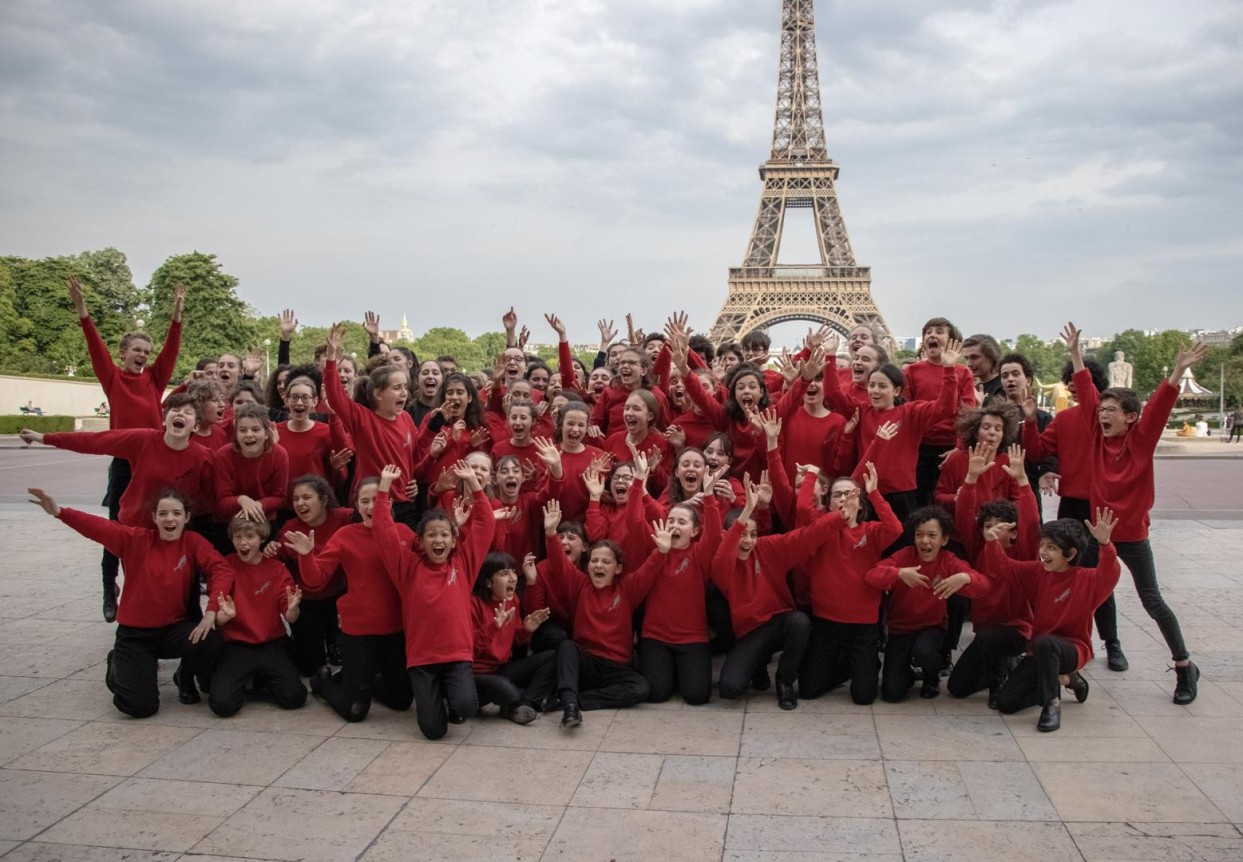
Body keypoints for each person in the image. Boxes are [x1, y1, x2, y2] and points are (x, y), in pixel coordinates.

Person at [1064, 322, 1206, 704]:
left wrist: (1177, 372)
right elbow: (1085, 391)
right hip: (1098, 534)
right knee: (1090, 595)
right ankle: (1081, 660)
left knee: (1152, 601)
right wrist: (1076, 355)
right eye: (1102, 410)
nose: (1102, 415)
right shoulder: (1096, 436)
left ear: (1130, 417)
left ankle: (1183, 666)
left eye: (1111, 411)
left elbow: (1160, 406)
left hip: (1132, 536)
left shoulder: (1140, 441)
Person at [27, 488, 226, 717]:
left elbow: (220, 568)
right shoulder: (136, 540)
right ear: (154, 517)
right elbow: (98, 527)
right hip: (136, 635)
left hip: (173, 629)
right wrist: (59, 512)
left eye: (176, 513)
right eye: (163, 513)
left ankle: (184, 674)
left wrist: (211, 611)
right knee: (139, 707)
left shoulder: (193, 542)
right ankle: (118, 665)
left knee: (210, 637)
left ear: (186, 517)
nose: (170, 519)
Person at [68, 276, 185, 622]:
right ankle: (109, 587)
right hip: (123, 464)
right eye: (137, 351)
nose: (143, 356)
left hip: (152, 464)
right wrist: (82, 310)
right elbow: (94, 346)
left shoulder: (154, 379)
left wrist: (176, 315)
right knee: (115, 528)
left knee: (155, 525)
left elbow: (171, 349)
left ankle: (152, 588)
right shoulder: (113, 378)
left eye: (146, 353)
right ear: (123, 354)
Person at [372, 462, 495, 740]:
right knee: (433, 731)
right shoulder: (408, 567)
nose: (437, 540)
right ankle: (427, 693)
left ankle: (449, 694)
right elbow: (383, 532)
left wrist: (475, 485)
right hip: (422, 658)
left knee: (465, 707)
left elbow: (485, 525)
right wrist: (382, 489)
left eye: (444, 535)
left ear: (454, 541)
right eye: (431, 535)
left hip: (457, 655)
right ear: (421, 541)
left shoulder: (464, 564)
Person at [285, 476, 415, 722]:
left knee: (401, 701)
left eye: (376, 500)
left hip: (396, 630)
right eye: (364, 501)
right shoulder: (346, 535)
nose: (370, 507)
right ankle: (323, 684)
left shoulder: (404, 533)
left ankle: (359, 678)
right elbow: (315, 580)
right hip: (359, 632)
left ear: (388, 503)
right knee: (355, 710)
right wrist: (306, 556)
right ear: (356, 506)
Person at [710, 477, 846, 710]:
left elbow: (807, 536)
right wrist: (745, 514)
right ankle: (758, 665)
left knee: (800, 622)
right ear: (727, 535)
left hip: (778, 623)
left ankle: (785, 682)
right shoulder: (722, 564)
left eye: (753, 534)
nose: (748, 540)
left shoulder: (767, 548)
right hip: (749, 633)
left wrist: (840, 516)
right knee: (729, 689)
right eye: (742, 534)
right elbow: (724, 555)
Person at [536, 501, 672, 728]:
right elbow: (559, 563)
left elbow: (650, 569)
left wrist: (663, 551)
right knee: (567, 647)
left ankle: (574, 700)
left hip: (616, 667)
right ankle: (570, 707)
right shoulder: (579, 584)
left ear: (618, 568)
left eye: (606, 562)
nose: (598, 565)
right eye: (594, 561)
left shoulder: (628, 587)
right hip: (586, 662)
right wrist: (551, 533)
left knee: (641, 688)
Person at [983, 511, 1121, 732]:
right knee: (1006, 703)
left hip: (1073, 649)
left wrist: (1105, 544)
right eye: (1043, 545)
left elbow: (1110, 573)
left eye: (1051, 548)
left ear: (1070, 553)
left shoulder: (1087, 579)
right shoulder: (1038, 572)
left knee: (1045, 643)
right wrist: (992, 543)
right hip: (1041, 652)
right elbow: (1004, 568)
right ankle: (1068, 680)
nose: (1042, 553)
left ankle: (1052, 705)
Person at [865, 506, 989, 702]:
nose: (924, 541)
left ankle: (932, 676)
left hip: (932, 629)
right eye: (919, 535)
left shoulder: (948, 560)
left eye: (932, 535)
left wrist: (965, 577)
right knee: (891, 694)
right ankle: (908, 673)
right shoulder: (904, 556)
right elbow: (871, 575)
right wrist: (898, 573)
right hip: (900, 631)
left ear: (944, 539)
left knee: (924, 651)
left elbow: (983, 586)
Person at [204, 517, 307, 717]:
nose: (243, 542)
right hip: (236, 646)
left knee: (294, 697)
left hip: (271, 644)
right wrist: (224, 616)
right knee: (222, 705)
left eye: (250, 536)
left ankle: (258, 678)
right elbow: (215, 617)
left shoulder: (277, 569)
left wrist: (293, 609)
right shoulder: (225, 566)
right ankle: (243, 678)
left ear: (261, 538)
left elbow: (291, 616)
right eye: (238, 537)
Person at [471, 553, 555, 724]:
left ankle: (523, 703)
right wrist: (493, 628)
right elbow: (470, 649)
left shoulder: (513, 600)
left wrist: (526, 629)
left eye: (513, 572)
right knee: (506, 689)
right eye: (503, 574)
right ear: (488, 582)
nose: (512, 578)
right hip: (477, 675)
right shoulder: (474, 604)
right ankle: (519, 701)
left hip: (502, 668)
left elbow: (517, 639)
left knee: (552, 657)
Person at [902, 318, 977, 505]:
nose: (932, 335)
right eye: (928, 332)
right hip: (918, 447)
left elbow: (967, 413)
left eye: (939, 331)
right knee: (918, 501)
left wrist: (959, 447)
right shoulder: (911, 371)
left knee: (945, 500)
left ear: (953, 341)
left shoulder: (963, 373)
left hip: (949, 447)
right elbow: (904, 410)